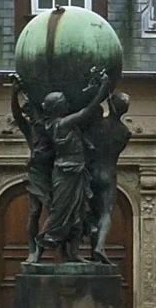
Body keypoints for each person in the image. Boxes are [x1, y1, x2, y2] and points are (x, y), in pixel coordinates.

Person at [38, 66, 113, 260]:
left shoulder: (55, 123)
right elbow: (88, 111)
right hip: (66, 172)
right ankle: (39, 248)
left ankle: (73, 253)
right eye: (63, 102)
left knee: (78, 213)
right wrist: (104, 87)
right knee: (60, 212)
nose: (67, 103)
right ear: (57, 108)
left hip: (77, 172)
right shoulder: (62, 124)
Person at [9, 78, 52, 265]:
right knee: (34, 212)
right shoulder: (31, 130)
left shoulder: (52, 128)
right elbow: (17, 115)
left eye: (35, 112)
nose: (33, 116)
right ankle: (33, 249)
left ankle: (47, 246)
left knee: (56, 213)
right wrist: (14, 94)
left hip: (53, 173)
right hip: (37, 173)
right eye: (31, 113)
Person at [86, 92, 132, 263]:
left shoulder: (97, 125)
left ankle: (92, 250)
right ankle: (99, 247)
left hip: (91, 172)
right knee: (105, 213)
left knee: (92, 212)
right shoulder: (124, 133)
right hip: (109, 173)